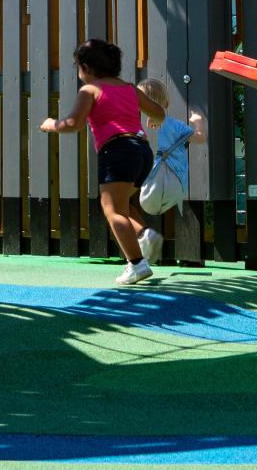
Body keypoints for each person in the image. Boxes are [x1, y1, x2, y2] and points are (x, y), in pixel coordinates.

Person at [40, 38, 154, 285]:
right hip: (142, 151)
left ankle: (137, 263)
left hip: (117, 150)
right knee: (123, 207)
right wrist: (154, 119)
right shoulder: (129, 89)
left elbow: (73, 124)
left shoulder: (90, 90)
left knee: (112, 211)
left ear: (87, 68)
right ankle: (146, 234)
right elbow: (159, 112)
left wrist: (51, 125)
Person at [134, 77, 206, 268]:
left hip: (151, 186)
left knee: (139, 210)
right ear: (166, 103)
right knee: (169, 210)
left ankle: (145, 250)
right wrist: (198, 122)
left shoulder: (138, 126)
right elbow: (200, 138)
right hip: (177, 185)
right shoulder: (174, 125)